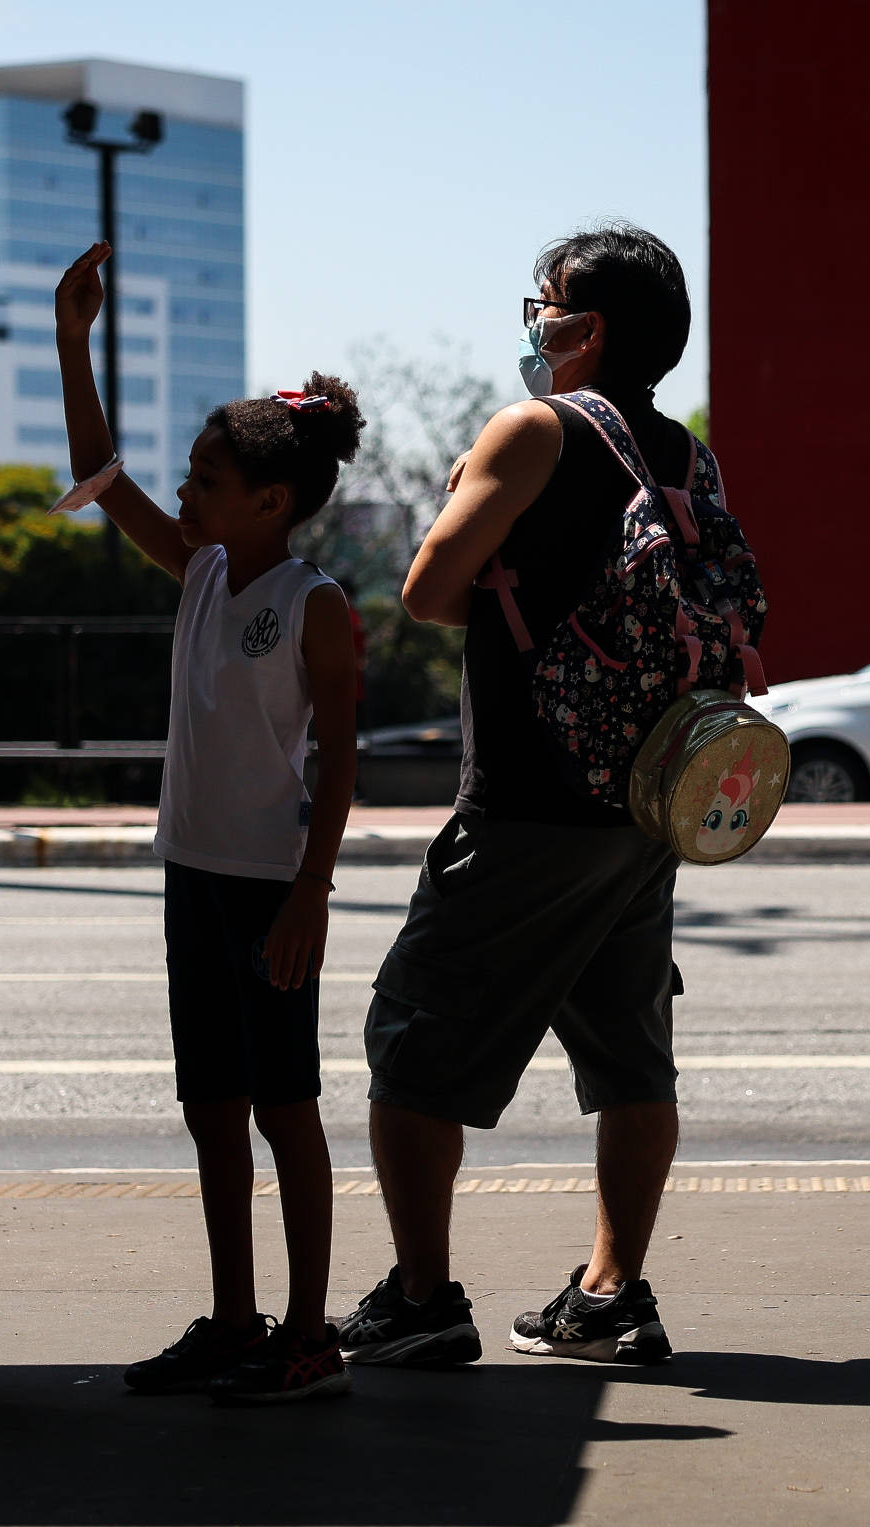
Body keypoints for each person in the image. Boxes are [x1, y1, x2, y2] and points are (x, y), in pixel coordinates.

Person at [338, 224, 699, 1370]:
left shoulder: (535, 428)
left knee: (415, 1043)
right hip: (645, 804)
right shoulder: (682, 453)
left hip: (529, 802)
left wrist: (476, 501)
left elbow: (429, 592)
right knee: (631, 1057)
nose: (532, 322)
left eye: (543, 304)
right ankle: (611, 1293)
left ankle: (422, 1294)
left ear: (583, 330)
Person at [52, 241, 363, 1405]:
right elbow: (96, 472)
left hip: (265, 891)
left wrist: (309, 894)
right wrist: (73, 342)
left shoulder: (312, 603)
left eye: (204, 477)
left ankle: (307, 1331)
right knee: (213, 1109)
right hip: (192, 874)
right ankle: (236, 1320)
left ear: (270, 501)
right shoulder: (197, 569)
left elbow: (336, 762)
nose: (182, 491)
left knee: (288, 1109)